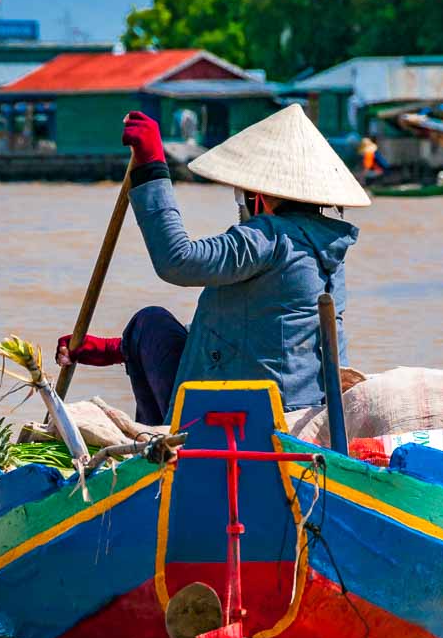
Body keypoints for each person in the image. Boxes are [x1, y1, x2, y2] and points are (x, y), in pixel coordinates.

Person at [56, 103, 370, 425]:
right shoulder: (327, 249)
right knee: (145, 333)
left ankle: (155, 447)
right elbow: (247, 330)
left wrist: (151, 168)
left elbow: (177, 260)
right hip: (302, 407)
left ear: (258, 196)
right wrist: (115, 350)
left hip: (246, 416)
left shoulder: (268, 236)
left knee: (149, 323)